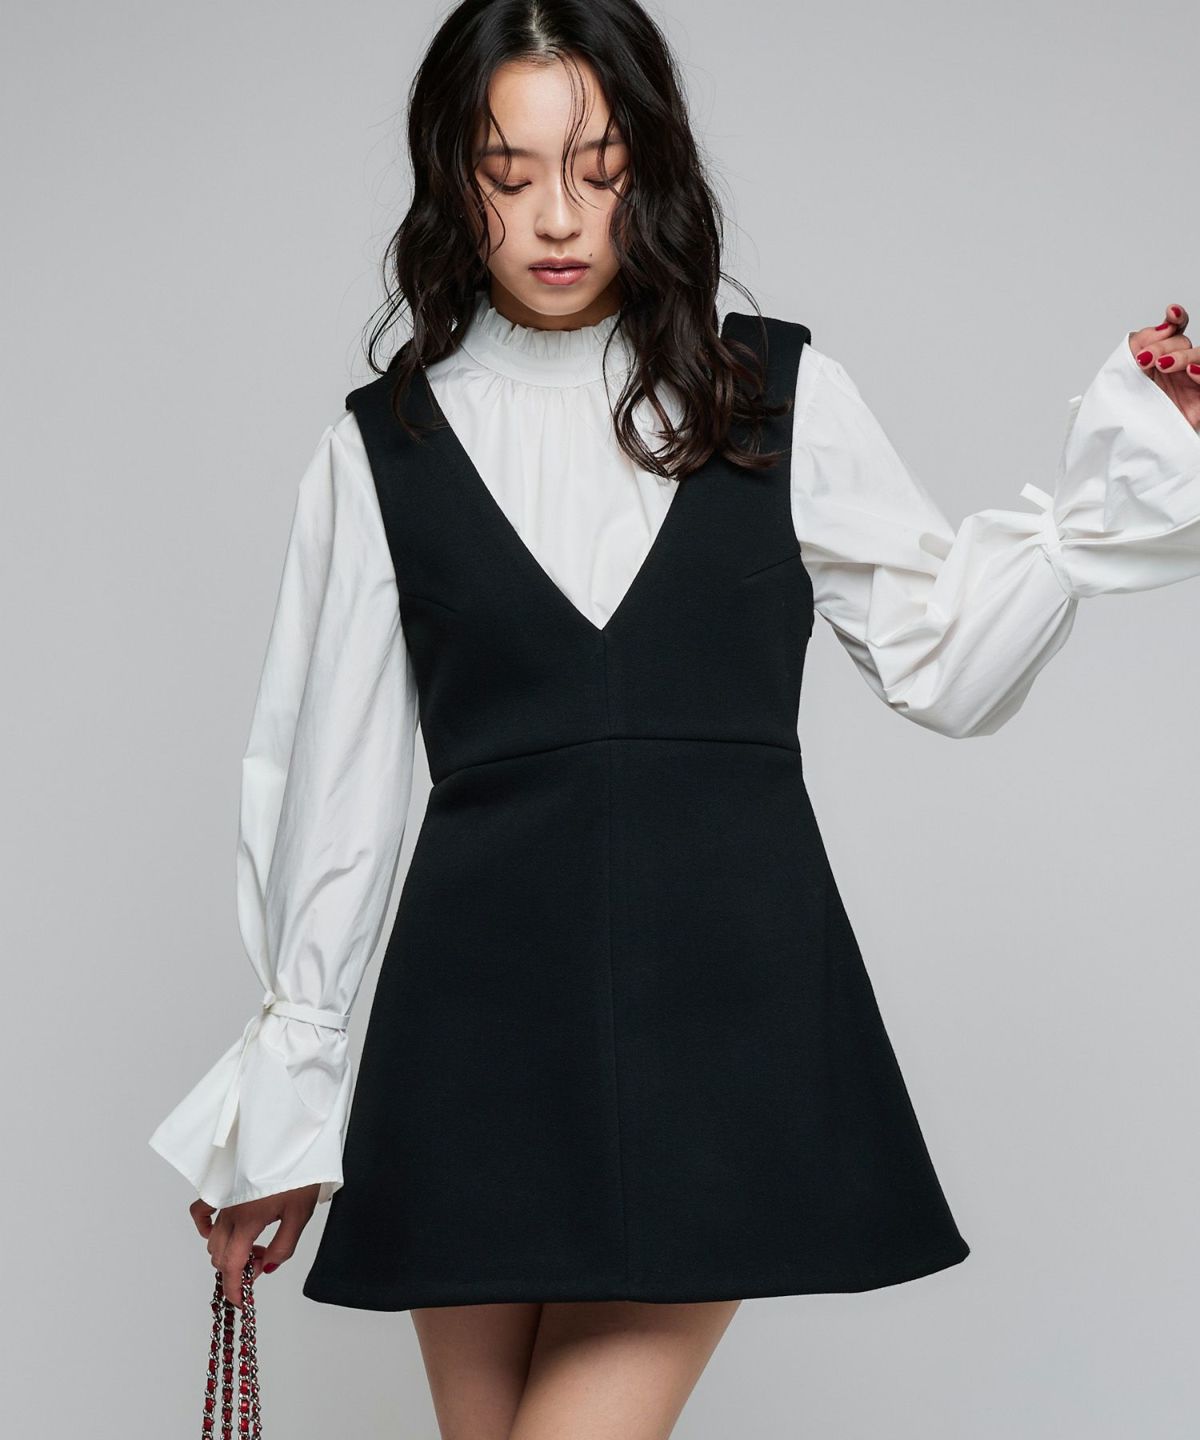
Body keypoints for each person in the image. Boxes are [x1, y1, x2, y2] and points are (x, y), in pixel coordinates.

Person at [148, 2, 1200, 1436]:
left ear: (652, 168)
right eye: (509, 174)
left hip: (725, 1029)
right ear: (453, 181)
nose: (557, 217)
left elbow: (946, 659)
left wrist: (1122, 480)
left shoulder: (775, 392)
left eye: (599, 168)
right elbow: (332, 786)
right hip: (476, 1039)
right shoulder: (379, 445)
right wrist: (280, 1111)